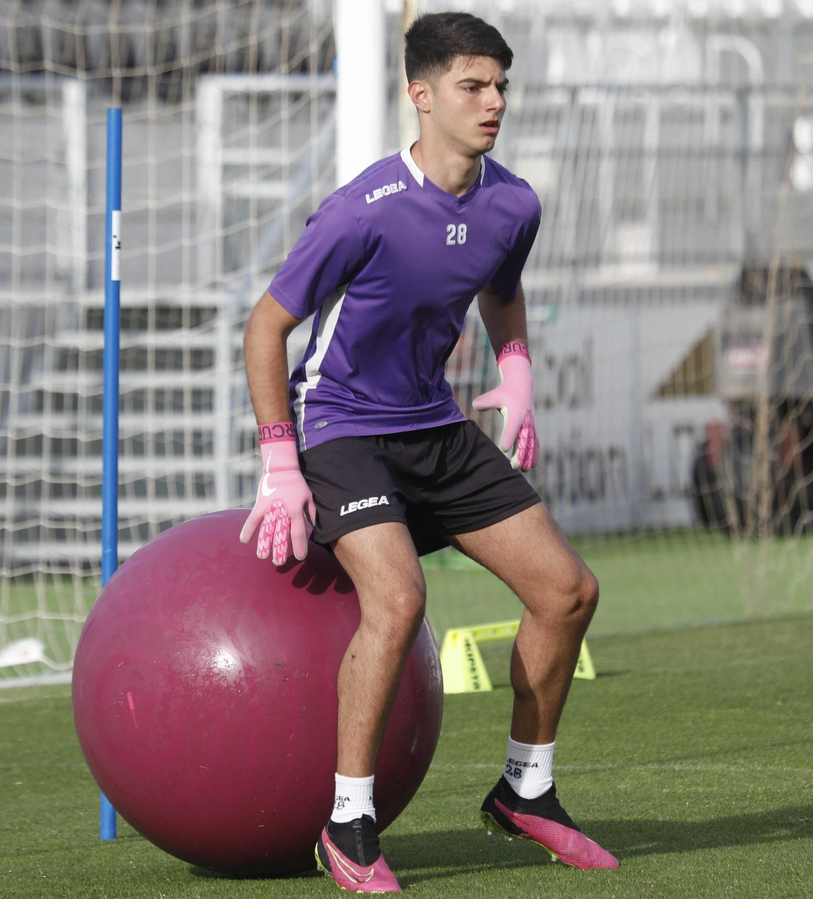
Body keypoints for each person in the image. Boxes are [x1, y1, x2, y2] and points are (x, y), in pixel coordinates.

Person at [240, 11, 617, 892]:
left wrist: (516, 368)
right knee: (400, 598)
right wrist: (280, 459)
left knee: (568, 592)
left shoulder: (513, 203)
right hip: (342, 426)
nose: (493, 103)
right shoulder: (358, 211)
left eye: (501, 87)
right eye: (472, 86)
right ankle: (347, 822)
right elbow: (264, 328)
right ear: (422, 95)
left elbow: (501, 287)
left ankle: (526, 791)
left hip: (434, 425)